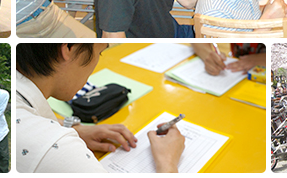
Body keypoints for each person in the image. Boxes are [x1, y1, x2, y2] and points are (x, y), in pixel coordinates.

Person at [15, 44, 184, 172]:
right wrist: (167, 163)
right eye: (99, 52)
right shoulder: (56, 150)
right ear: (69, 48)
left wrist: (74, 128)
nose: (96, 62)